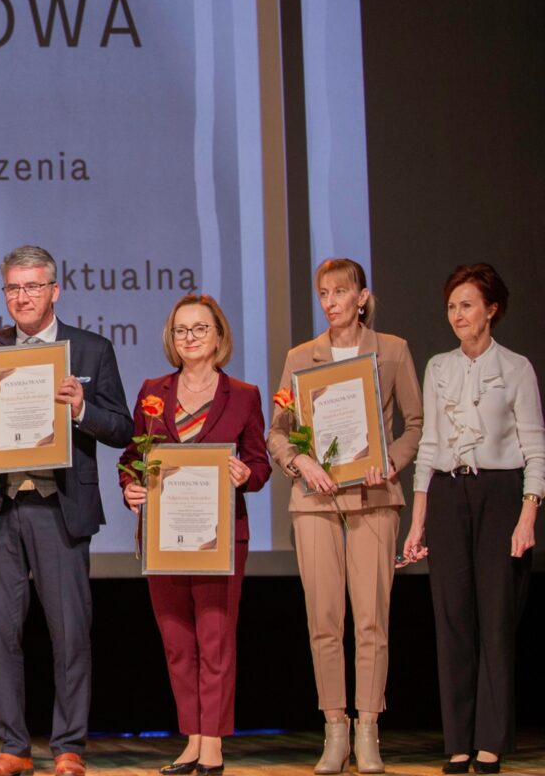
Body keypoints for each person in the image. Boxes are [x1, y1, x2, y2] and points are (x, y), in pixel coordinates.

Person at [0, 246, 132, 776]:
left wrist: (81, 408)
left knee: (70, 632)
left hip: (61, 508)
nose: (22, 296)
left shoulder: (91, 349)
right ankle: (13, 746)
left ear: (54, 291)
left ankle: (68, 746)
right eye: (13, 287)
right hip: (2, 508)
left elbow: (122, 428)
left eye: (33, 286)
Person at [266, 259, 423, 774]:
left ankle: (368, 729)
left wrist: (390, 461)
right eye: (323, 293)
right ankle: (335, 728)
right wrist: (301, 462)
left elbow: (415, 424)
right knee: (324, 619)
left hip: (374, 495)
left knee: (372, 619)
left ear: (362, 296)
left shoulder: (393, 350)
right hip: (316, 499)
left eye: (340, 291)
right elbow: (277, 432)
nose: (330, 301)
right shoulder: (301, 356)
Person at [118, 295, 270, 776]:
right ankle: (192, 738)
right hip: (164, 538)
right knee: (178, 643)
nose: (190, 338)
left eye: (200, 328)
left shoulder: (243, 394)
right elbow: (132, 458)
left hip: (219, 539)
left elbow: (260, 463)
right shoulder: (153, 391)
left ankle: (213, 743)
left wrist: (246, 474)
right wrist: (130, 487)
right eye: (181, 330)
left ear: (219, 335)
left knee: (215, 639)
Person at [402, 263, 541, 775]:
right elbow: (429, 446)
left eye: (467, 305)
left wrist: (527, 515)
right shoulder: (438, 367)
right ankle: (458, 740)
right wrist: (418, 520)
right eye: (451, 306)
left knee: (496, 622)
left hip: (501, 494)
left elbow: (535, 448)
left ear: (491, 309)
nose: (457, 315)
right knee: (453, 620)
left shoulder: (517, 368)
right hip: (447, 493)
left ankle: (491, 741)